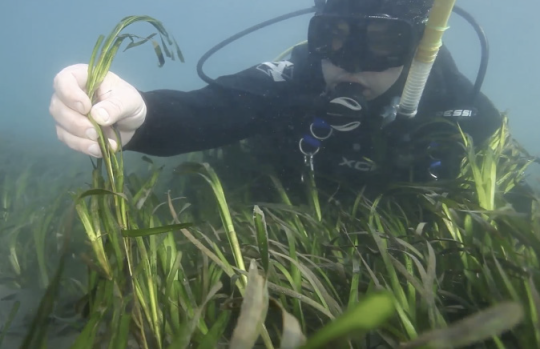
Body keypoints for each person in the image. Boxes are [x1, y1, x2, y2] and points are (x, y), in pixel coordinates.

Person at [49, 0, 503, 201]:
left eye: (385, 44)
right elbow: (205, 112)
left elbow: (506, 191)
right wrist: (142, 118)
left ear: (419, 48)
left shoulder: (452, 101)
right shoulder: (295, 79)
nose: (351, 64)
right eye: (334, 38)